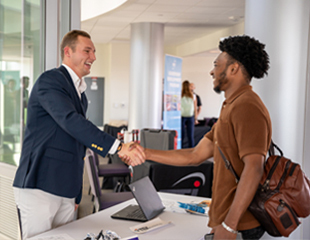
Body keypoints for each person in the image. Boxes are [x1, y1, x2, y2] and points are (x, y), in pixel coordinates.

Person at [125, 35, 271, 240]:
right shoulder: (231, 106)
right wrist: (145, 152)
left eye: (216, 64)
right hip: (225, 220)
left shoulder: (247, 106)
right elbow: (194, 155)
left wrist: (230, 225)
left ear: (233, 68)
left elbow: (254, 169)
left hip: (240, 225)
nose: (212, 71)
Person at [13, 30, 144, 240]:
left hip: (64, 189)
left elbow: (76, 145)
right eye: (87, 50)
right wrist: (118, 147)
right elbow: (70, 121)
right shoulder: (51, 81)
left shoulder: (80, 95)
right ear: (68, 52)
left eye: (94, 51)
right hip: (39, 186)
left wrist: (74, 194)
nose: (93, 57)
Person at [181, 80, 197, 148]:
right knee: (190, 135)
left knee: (182, 135)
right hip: (190, 116)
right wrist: (195, 118)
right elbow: (195, 108)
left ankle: (180, 149)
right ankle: (192, 150)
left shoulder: (180, 95)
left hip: (182, 116)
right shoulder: (193, 96)